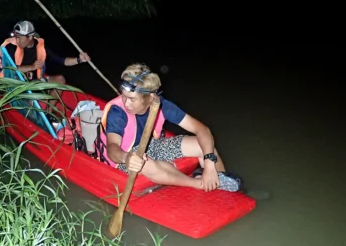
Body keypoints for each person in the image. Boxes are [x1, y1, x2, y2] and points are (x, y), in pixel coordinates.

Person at [94, 63, 242, 192]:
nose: (126, 103)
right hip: (123, 159)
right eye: (124, 96)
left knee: (204, 145)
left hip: (152, 146)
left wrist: (210, 166)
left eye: (132, 99)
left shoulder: (161, 104)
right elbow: (112, 148)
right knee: (145, 164)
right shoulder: (117, 111)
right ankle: (199, 183)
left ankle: (218, 179)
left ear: (150, 97)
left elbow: (203, 130)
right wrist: (127, 157)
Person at [0, 20, 90, 114]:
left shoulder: (41, 48)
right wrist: (32, 66)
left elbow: (63, 61)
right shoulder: (11, 47)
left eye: (20, 37)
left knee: (60, 79)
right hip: (17, 86)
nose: (17, 40)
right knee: (24, 104)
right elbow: (8, 69)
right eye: (16, 36)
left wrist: (79, 60)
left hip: (35, 83)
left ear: (30, 37)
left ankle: (48, 112)